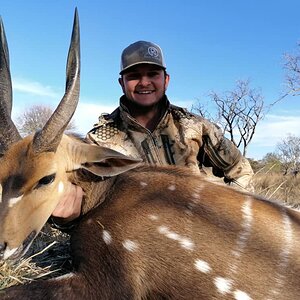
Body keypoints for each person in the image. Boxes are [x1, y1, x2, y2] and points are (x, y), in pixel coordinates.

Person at [51, 40, 254, 227]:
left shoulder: (195, 126)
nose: (144, 82)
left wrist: (230, 217)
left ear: (166, 80)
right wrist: (67, 219)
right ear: (122, 83)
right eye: (134, 76)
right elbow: (81, 207)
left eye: (152, 74)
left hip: (202, 231)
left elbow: (240, 170)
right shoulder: (98, 141)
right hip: (138, 242)